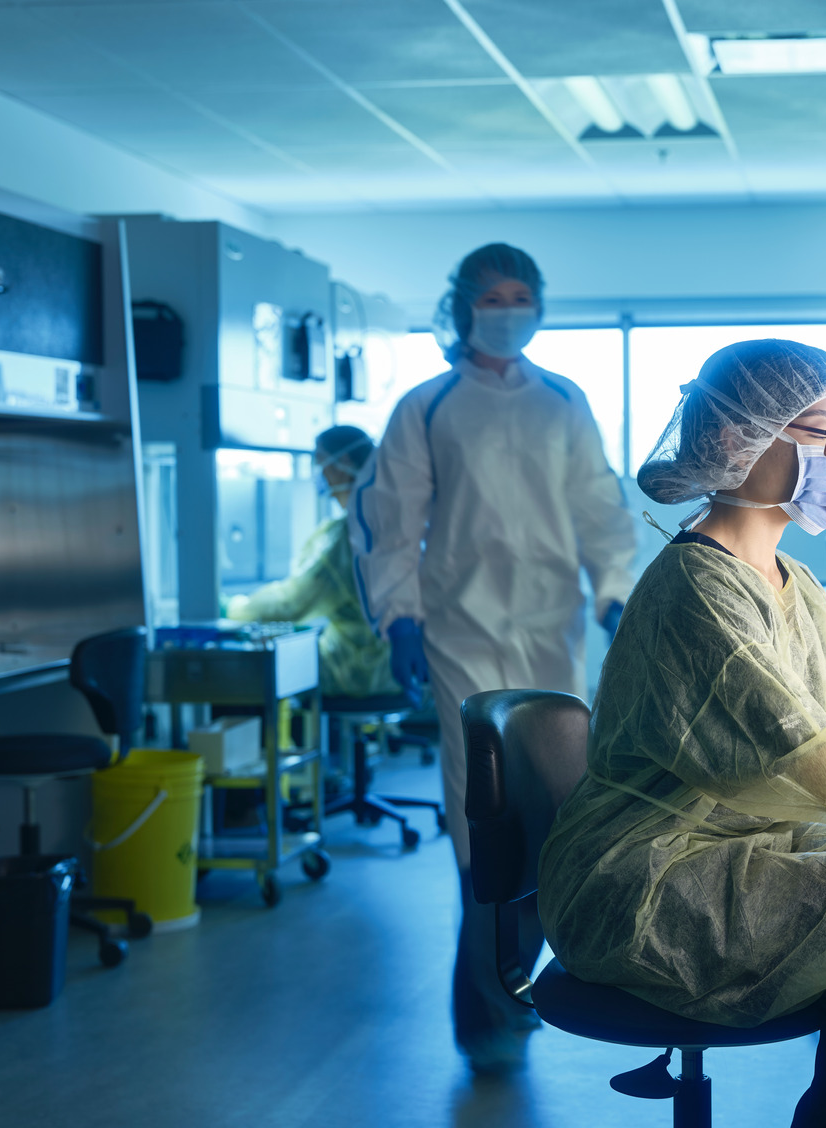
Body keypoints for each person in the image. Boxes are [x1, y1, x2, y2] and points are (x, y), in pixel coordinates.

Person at [538, 339, 826, 1126]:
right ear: (738, 443)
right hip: (643, 877)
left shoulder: (793, 582)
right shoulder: (698, 592)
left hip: (730, 846)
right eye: (823, 431)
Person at [351, 243, 636, 1071]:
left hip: (554, 634)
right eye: (495, 295)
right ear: (464, 305)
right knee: (482, 820)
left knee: (556, 813)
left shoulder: (563, 400)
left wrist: (615, 589)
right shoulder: (428, 405)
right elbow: (390, 520)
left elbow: (599, 507)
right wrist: (399, 618)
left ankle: (516, 985)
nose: (510, 307)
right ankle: (484, 1006)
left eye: (523, 295)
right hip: (461, 634)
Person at [226, 425, 398, 699]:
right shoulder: (392, 518)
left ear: (343, 463)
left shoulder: (348, 535)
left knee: (267, 678)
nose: (321, 477)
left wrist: (235, 608)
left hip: (358, 671)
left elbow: (291, 604)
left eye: (322, 465)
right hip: (395, 669)